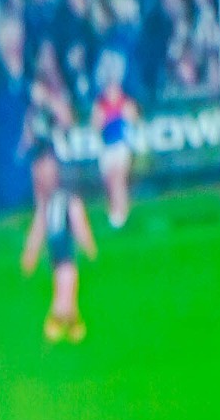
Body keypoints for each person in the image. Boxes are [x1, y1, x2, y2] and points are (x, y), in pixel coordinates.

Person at [21, 149, 96, 343]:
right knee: (63, 282)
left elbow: (78, 221)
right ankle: (70, 320)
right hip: (56, 250)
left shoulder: (66, 198)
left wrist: (87, 242)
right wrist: (31, 251)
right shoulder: (46, 201)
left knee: (66, 281)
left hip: (66, 248)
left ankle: (59, 318)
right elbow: (39, 227)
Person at [95, 61, 139, 229]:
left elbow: (133, 119)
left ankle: (122, 212)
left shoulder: (125, 102)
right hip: (107, 145)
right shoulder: (101, 104)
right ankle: (114, 209)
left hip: (121, 145)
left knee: (119, 178)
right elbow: (96, 124)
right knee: (110, 179)